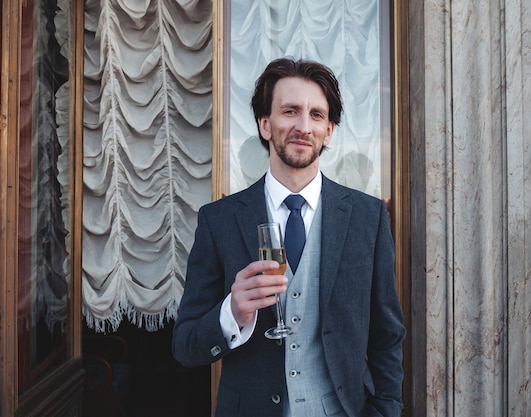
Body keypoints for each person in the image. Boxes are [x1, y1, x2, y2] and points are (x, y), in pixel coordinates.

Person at [173, 57, 405, 417]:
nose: (303, 126)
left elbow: (387, 336)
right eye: (290, 111)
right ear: (266, 125)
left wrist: (386, 410)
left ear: (329, 130)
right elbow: (185, 346)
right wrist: (231, 313)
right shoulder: (218, 220)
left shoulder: (367, 217)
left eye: (316, 115)